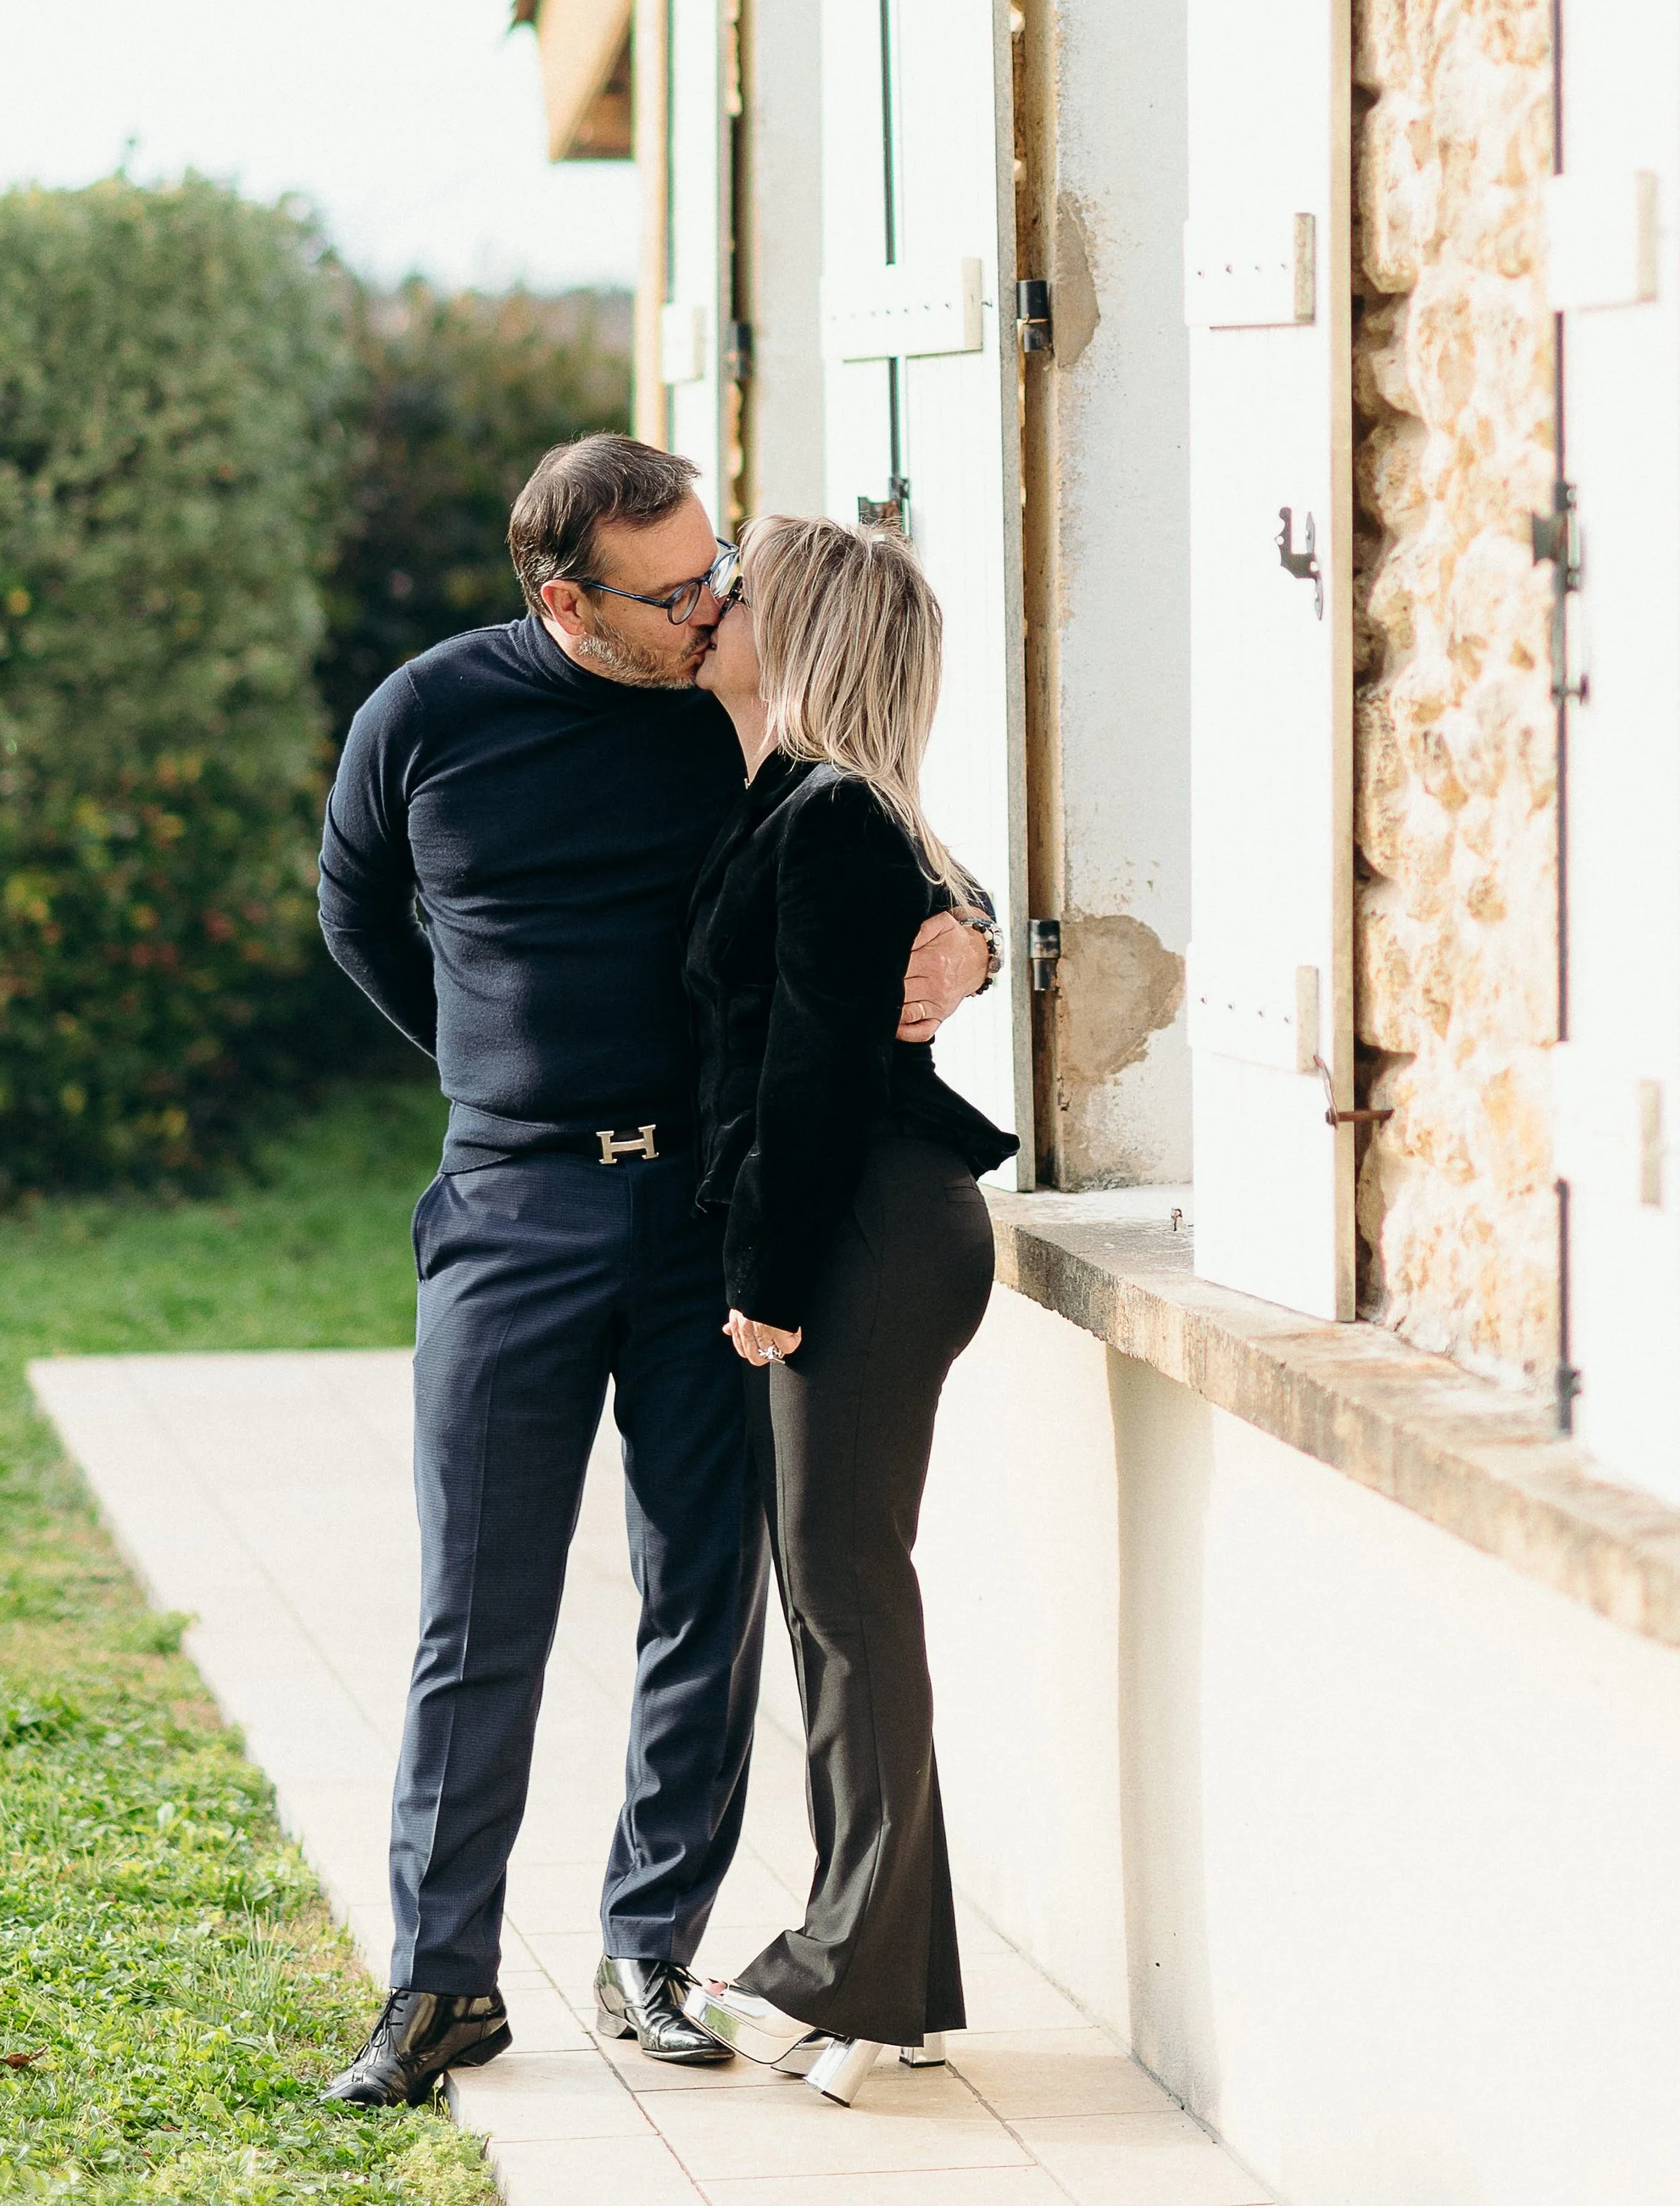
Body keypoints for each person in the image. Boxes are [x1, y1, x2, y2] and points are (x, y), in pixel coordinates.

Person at [312, 436, 995, 2109]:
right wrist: (493, 1071)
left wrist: (967, 931)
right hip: (509, 1212)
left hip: (701, 1209)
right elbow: (357, 915)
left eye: (716, 574)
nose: (712, 605)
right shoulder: (423, 715)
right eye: (677, 588)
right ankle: (440, 1980)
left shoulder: (730, 704)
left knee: (706, 1582)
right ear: (566, 598)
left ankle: (648, 1943)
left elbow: (879, 832)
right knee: (480, 1607)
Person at [680, 513, 1013, 2109]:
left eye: (734, 592)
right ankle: (906, 1974)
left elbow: (808, 1076)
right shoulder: (830, 809)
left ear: (797, 626)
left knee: (842, 1590)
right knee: (842, 1593)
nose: (710, 605)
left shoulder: (831, 819)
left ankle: (842, 1969)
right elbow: (939, 920)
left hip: (861, 1228)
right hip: (877, 1220)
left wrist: (766, 1277)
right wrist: (984, 936)